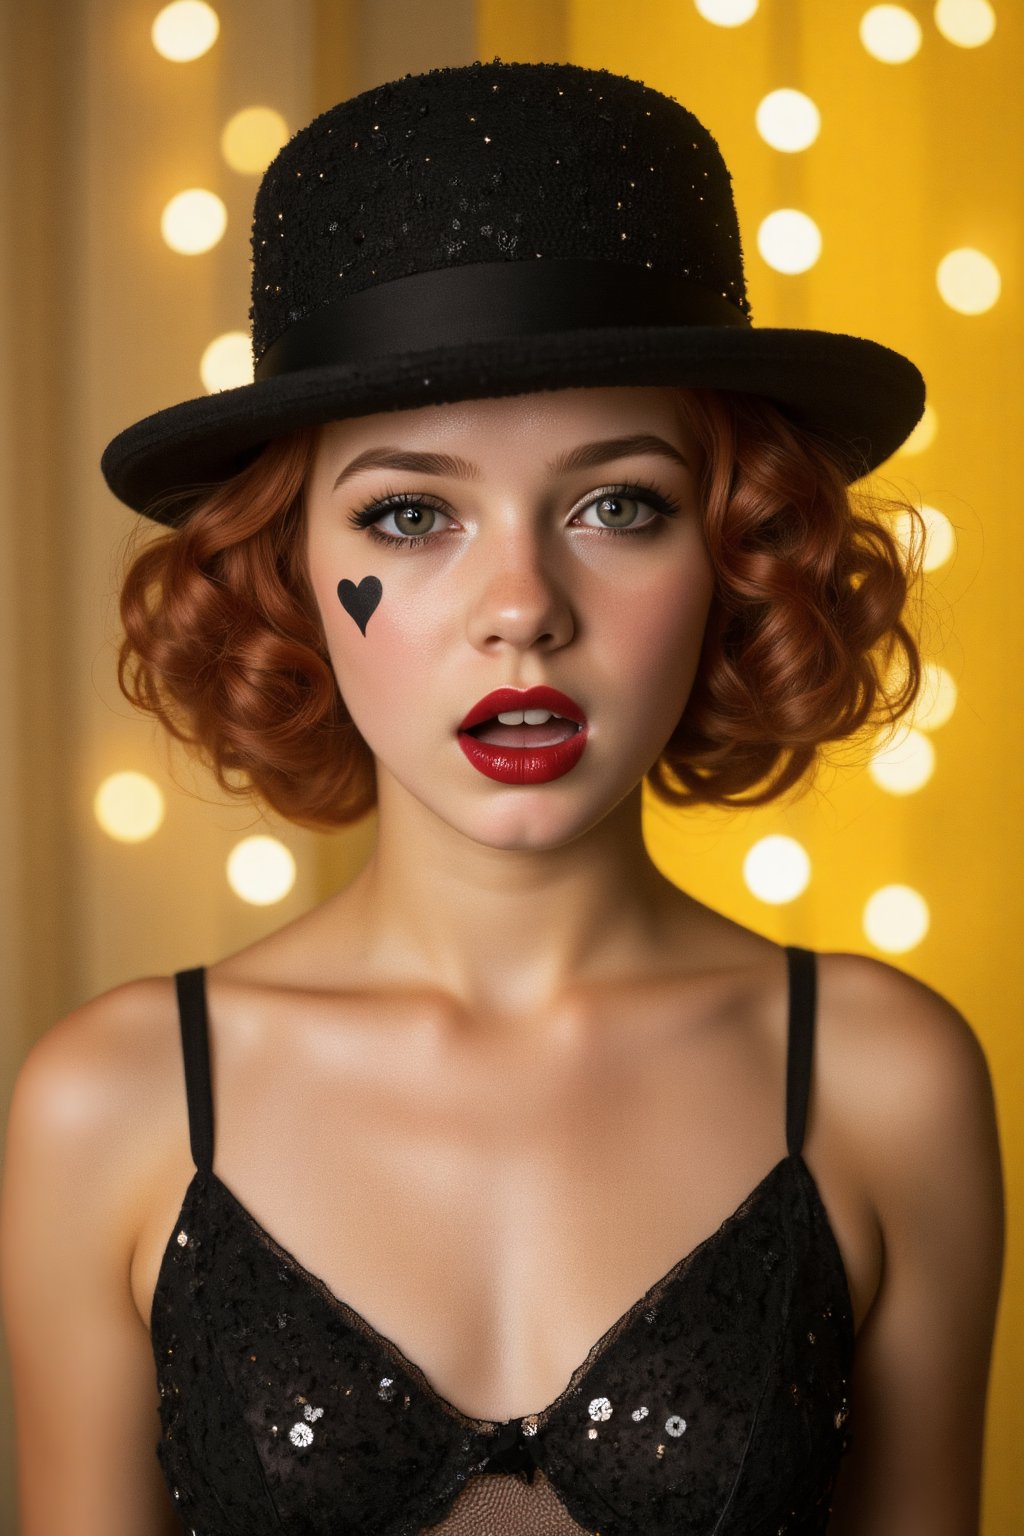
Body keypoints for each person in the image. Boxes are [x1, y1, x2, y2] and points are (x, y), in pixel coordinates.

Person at [0, 58, 1004, 1536]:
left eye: (619, 504)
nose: (522, 608)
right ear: (287, 574)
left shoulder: (885, 1081)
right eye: (412, 515)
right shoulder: (115, 1102)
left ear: (736, 549)